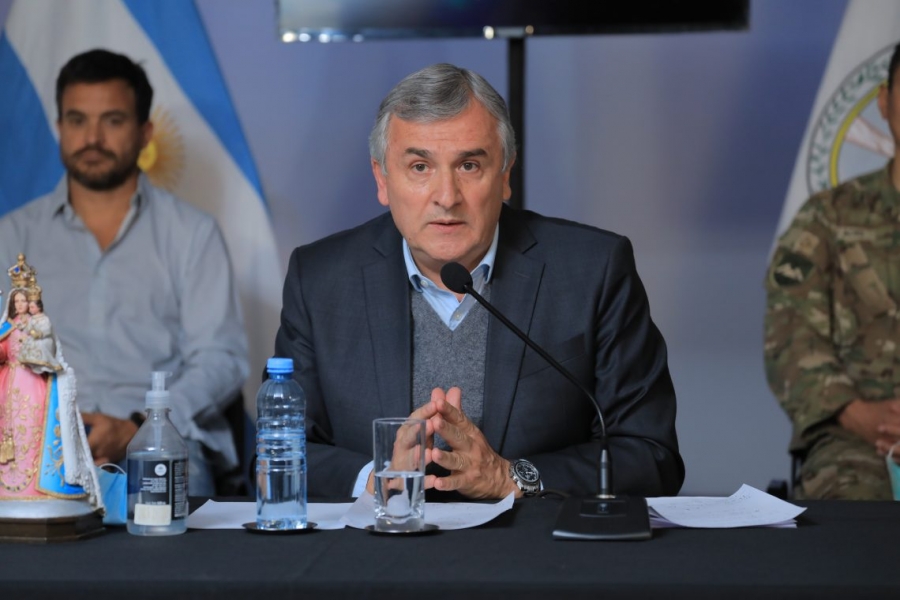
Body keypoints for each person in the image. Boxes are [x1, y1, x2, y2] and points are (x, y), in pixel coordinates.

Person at [274, 63, 683, 500]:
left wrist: (511, 477)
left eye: (469, 165)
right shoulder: (320, 279)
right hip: (380, 540)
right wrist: (378, 480)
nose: (447, 196)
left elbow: (650, 454)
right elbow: (278, 453)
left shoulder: (592, 270)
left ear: (505, 176)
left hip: (533, 541)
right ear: (382, 179)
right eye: (419, 167)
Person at [0, 49, 248, 496]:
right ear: (59, 128)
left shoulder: (192, 234)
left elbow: (220, 359)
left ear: (144, 133)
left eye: (112, 121)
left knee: (168, 511)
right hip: (33, 448)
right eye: (77, 120)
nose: (92, 137)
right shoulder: (13, 236)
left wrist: (141, 426)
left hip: (157, 446)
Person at [764, 43, 900, 500]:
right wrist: (859, 414)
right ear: (884, 100)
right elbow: (789, 337)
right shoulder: (827, 216)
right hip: (855, 438)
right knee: (856, 513)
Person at [0, 262, 99, 506]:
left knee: (32, 429)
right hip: (7, 384)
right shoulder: (7, 327)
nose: (20, 305)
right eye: (17, 301)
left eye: (24, 301)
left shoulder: (39, 324)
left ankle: (35, 483)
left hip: (33, 384)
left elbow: (49, 350)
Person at [19, 295, 63, 375]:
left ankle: (45, 364)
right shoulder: (32, 319)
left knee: (41, 344)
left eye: (32, 307)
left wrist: (39, 334)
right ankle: (34, 363)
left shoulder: (44, 318)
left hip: (44, 338)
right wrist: (24, 326)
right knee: (27, 343)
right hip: (34, 338)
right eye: (29, 307)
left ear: (39, 308)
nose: (30, 310)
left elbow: (47, 329)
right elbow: (28, 328)